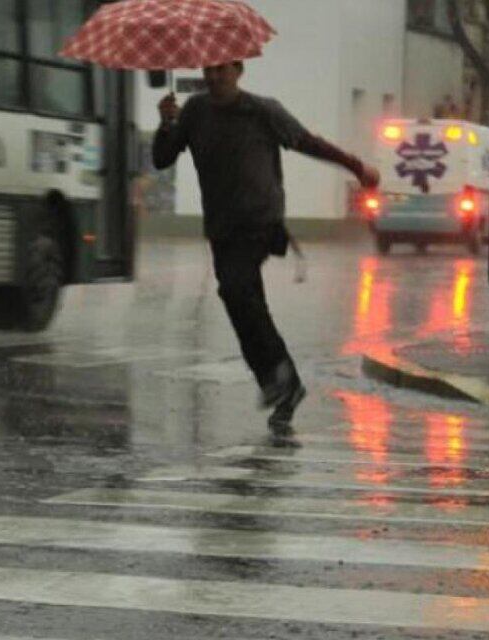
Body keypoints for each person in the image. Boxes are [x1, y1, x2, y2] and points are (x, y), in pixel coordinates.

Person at [152, 61, 380, 445]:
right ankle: (282, 385)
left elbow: (308, 141)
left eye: (222, 70)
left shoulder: (262, 111)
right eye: (209, 71)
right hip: (221, 226)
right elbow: (162, 158)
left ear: (238, 71)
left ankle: (282, 380)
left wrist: (356, 166)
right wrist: (165, 123)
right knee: (239, 300)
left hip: (259, 221)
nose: (214, 77)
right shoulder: (194, 111)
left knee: (239, 291)